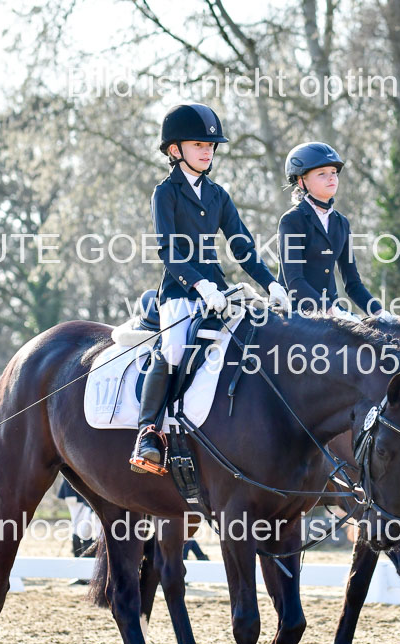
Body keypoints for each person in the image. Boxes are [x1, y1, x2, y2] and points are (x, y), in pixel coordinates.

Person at [131, 103, 291, 475]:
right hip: (179, 291)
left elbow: (242, 246)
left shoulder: (218, 195)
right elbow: (168, 249)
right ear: (175, 150)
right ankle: (148, 433)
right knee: (172, 348)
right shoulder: (165, 193)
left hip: (219, 291)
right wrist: (200, 284)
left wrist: (271, 284)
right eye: (199, 144)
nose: (208, 151)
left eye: (211, 145)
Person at [276, 142, 394, 322]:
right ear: (301, 181)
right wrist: (332, 312)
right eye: (322, 174)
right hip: (295, 314)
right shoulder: (292, 221)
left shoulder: (341, 223)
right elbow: (294, 282)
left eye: (333, 173)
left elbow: (353, 284)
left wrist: (380, 313)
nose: (331, 178)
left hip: (332, 312)